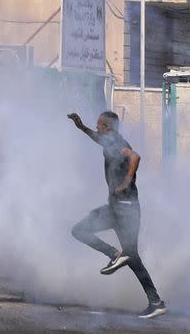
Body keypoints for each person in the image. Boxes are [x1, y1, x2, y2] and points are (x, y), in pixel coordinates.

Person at [67, 110, 166, 319]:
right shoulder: (110, 141)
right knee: (81, 231)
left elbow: (135, 157)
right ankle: (154, 300)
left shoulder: (119, 141)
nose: (96, 129)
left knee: (130, 255)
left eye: (98, 125)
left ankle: (119, 258)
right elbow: (97, 139)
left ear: (107, 127)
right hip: (116, 208)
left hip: (126, 208)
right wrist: (81, 127)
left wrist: (127, 181)